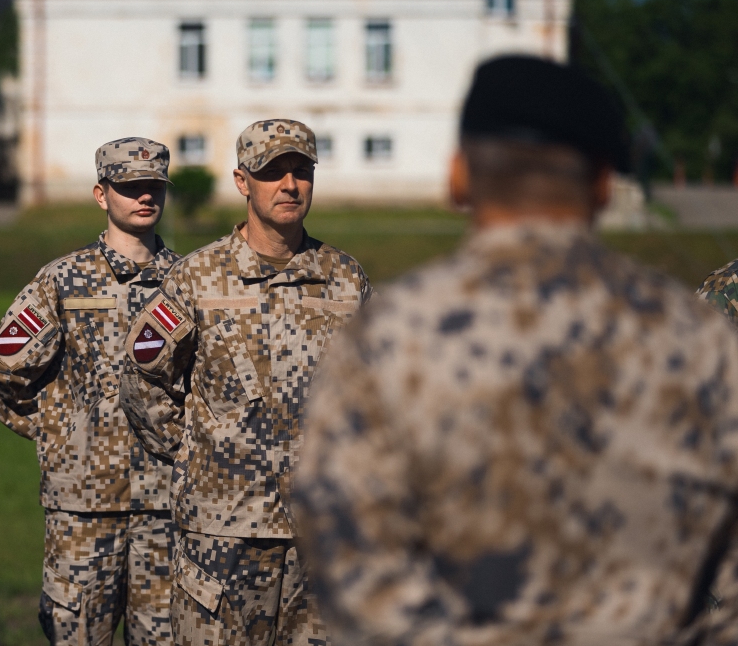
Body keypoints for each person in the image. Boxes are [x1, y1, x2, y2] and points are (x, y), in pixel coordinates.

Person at [293, 55, 738, 646]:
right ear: (605, 184)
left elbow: (345, 553)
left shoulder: (390, 337)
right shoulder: (698, 338)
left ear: (457, 177)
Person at [120, 120, 371, 645]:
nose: (289, 185)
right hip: (222, 533)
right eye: (272, 172)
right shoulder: (197, 277)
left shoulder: (345, 279)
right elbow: (143, 377)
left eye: (300, 172)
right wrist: (197, 451)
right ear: (242, 181)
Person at [0, 138, 180, 646]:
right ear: (100, 193)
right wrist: (58, 431)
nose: (144, 197)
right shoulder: (62, 281)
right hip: (82, 510)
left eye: (153, 186)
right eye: (130, 187)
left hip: (167, 506)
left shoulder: (188, 281)